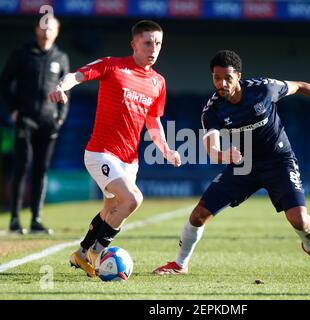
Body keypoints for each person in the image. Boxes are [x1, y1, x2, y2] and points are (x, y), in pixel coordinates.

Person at [153, 50, 310, 275]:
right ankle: (180, 265)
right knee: (198, 215)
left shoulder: (264, 88)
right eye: (216, 78)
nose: (222, 83)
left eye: (228, 78)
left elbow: (300, 86)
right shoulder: (212, 110)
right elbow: (212, 149)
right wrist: (223, 156)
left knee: (300, 221)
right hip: (244, 165)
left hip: (279, 161)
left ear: (239, 76)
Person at [48, 20, 181, 277]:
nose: (153, 48)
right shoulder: (113, 65)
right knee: (133, 199)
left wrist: (166, 149)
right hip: (100, 153)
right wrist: (60, 87)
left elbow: (153, 121)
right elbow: (77, 75)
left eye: (158, 43)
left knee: (111, 210)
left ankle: (81, 254)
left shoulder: (158, 82)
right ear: (134, 44)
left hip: (129, 160)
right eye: (148, 42)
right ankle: (98, 253)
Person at [0, 15, 69, 235]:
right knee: (21, 168)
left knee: (41, 170)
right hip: (25, 120)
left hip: (48, 122)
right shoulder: (22, 53)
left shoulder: (61, 57)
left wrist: (60, 118)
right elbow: (4, 84)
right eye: (43, 26)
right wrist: (13, 110)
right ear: (36, 29)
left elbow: (66, 92)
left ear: (57, 31)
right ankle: (14, 219)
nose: (47, 30)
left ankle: (36, 219)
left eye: (51, 27)